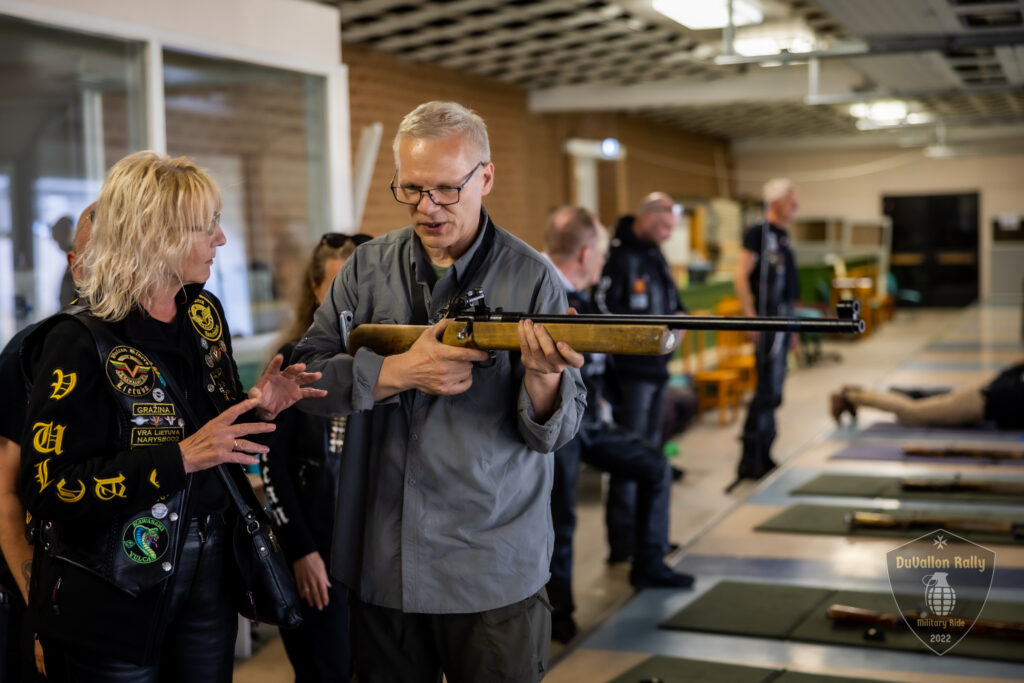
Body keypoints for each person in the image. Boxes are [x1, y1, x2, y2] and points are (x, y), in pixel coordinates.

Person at [292, 101, 586, 683]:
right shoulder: (364, 269)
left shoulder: (533, 277)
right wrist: (399, 372)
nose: (427, 207)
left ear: (486, 177)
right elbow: (303, 380)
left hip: (491, 572)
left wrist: (544, 376)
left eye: (447, 189)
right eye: (412, 188)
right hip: (383, 564)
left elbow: (555, 432)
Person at [18, 150, 324, 682]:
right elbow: (49, 486)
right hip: (113, 584)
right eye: (207, 225)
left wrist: (258, 408)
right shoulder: (76, 340)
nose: (221, 239)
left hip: (211, 568)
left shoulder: (204, 315)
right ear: (155, 234)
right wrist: (178, 459)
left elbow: (214, 437)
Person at [543, 206, 692, 644]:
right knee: (560, 519)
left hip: (589, 422)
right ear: (585, 254)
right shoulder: (545, 295)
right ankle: (557, 615)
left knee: (655, 467)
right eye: (602, 254)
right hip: (554, 426)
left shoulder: (584, 298)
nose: (605, 262)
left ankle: (648, 562)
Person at [262, 231, 370, 682]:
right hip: (316, 554)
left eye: (358, 287)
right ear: (315, 289)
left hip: (372, 559)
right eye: (336, 287)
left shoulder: (389, 363)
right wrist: (302, 551)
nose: (348, 302)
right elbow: (271, 466)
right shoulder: (293, 361)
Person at [0, 202, 95, 682]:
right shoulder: (30, 353)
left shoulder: (159, 352)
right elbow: (6, 495)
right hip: (55, 590)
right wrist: (39, 608)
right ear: (74, 265)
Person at [597, 192, 686, 563]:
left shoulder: (654, 253)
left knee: (651, 458)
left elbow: (673, 300)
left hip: (657, 369)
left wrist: (681, 319)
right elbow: (603, 310)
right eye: (664, 227)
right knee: (628, 458)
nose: (668, 235)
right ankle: (624, 542)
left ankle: (649, 539)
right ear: (647, 217)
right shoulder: (617, 255)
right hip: (630, 374)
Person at [733, 178, 800, 481]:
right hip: (767, 319)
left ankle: (765, 451)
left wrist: (794, 328)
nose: (795, 205)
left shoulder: (783, 236)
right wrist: (750, 317)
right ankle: (751, 457)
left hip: (784, 320)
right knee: (766, 390)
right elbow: (740, 275)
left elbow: (788, 288)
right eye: (790, 199)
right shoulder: (758, 234)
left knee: (774, 391)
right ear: (775, 202)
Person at [830, 361, 1024, 429]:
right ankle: (849, 397)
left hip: (978, 394)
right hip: (974, 404)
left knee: (915, 399)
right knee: (911, 412)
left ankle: (857, 392)